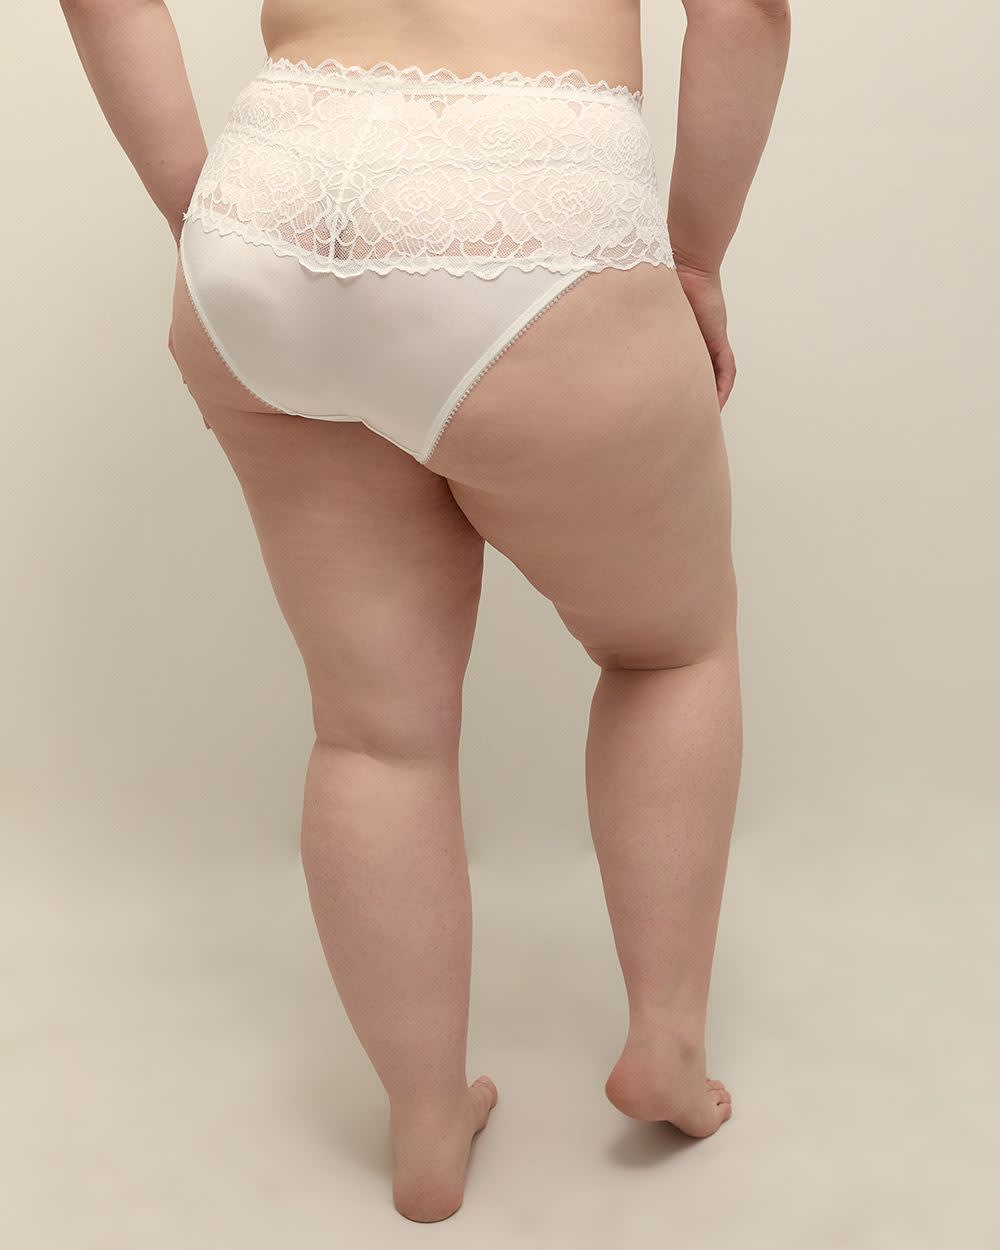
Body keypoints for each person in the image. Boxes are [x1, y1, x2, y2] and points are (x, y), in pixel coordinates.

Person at [59, 0, 791, 1224]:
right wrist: (697, 258)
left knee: (372, 729)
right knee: (669, 649)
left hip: (273, 194)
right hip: (529, 208)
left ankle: (424, 1122)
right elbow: (741, 12)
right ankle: (664, 1041)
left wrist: (202, 212)